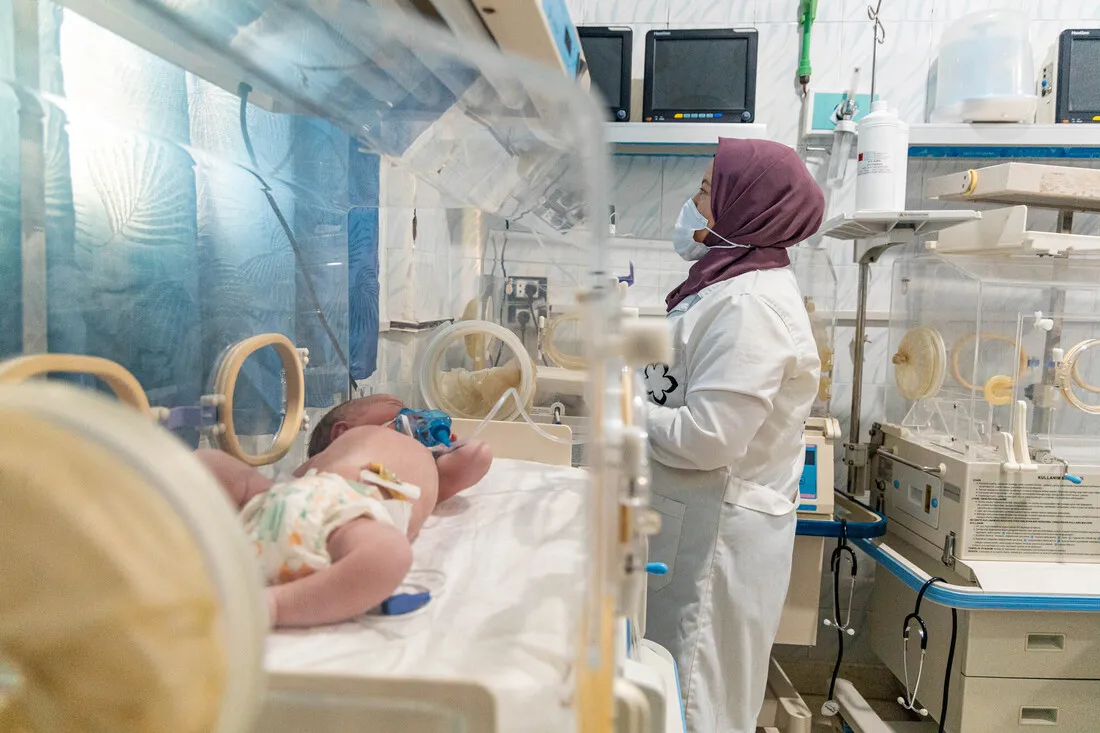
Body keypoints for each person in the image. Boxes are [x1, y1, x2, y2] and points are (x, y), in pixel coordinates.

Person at [642, 138, 824, 733]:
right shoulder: (725, 284)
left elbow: (709, 437)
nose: (692, 202)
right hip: (695, 523)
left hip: (716, 540)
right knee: (681, 693)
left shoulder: (750, 303)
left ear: (743, 204)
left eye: (704, 190)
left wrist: (621, 414)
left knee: (698, 704)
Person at [197, 395, 492, 628]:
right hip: (275, 500)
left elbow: (477, 456)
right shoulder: (334, 453)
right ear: (342, 431)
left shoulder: (433, 472)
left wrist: (447, 445)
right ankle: (173, 501)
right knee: (210, 462)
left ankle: (273, 605)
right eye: (399, 411)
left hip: (347, 518)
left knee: (391, 555)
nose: (414, 416)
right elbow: (290, 486)